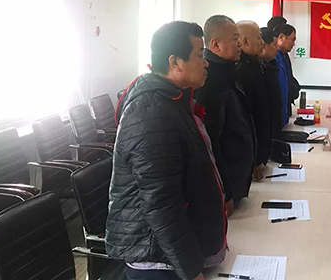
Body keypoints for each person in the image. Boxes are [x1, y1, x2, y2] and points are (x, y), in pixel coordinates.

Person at [106, 21, 226, 280]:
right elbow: (161, 203)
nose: (206, 63)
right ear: (175, 62)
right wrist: (190, 269)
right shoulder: (151, 113)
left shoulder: (172, 100)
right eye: (199, 55)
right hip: (157, 261)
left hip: (173, 254)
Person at [194, 15, 255, 216]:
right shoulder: (211, 81)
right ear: (215, 44)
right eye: (235, 39)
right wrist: (224, 191)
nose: (240, 44)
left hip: (237, 184)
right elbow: (210, 141)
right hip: (226, 189)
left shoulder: (228, 72)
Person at [236, 21, 270, 181]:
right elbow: (249, 119)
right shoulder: (240, 71)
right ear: (245, 41)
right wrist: (255, 159)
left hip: (259, 153)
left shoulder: (255, 64)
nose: (263, 42)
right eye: (259, 38)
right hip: (250, 158)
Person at [260, 27, 283, 140]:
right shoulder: (258, 70)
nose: (277, 48)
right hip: (266, 130)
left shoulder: (270, 65)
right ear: (264, 46)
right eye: (274, 44)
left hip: (274, 126)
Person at [274, 23, 297, 125]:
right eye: (292, 39)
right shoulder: (273, 58)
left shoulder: (284, 56)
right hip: (276, 117)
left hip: (284, 115)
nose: (293, 44)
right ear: (281, 37)